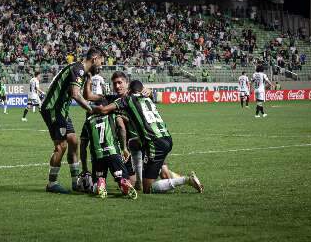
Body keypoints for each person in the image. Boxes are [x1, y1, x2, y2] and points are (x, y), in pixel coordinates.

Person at [92, 80, 204, 194]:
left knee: (148, 188)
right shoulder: (148, 99)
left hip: (154, 142)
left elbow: (104, 110)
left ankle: (186, 180)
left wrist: (92, 109)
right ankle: (139, 181)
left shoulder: (127, 99)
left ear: (129, 90)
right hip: (166, 137)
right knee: (133, 144)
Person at [40, 47, 104, 194]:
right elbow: (75, 94)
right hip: (53, 109)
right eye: (101, 61)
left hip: (62, 110)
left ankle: (76, 183)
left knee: (74, 142)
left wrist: (99, 95)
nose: (101, 65)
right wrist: (91, 110)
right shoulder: (78, 69)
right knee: (61, 146)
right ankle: (52, 183)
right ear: (94, 59)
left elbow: (83, 95)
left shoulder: (81, 71)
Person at [80, 112, 137, 199]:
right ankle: (122, 181)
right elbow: (122, 127)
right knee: (122, 179)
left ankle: (100, 182)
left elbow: (83, 146)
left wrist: (84, 168)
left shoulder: (88, 121)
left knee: (96, 186)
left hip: (97, 156)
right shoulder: (112, 115)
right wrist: (124, 148)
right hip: (113, 153)